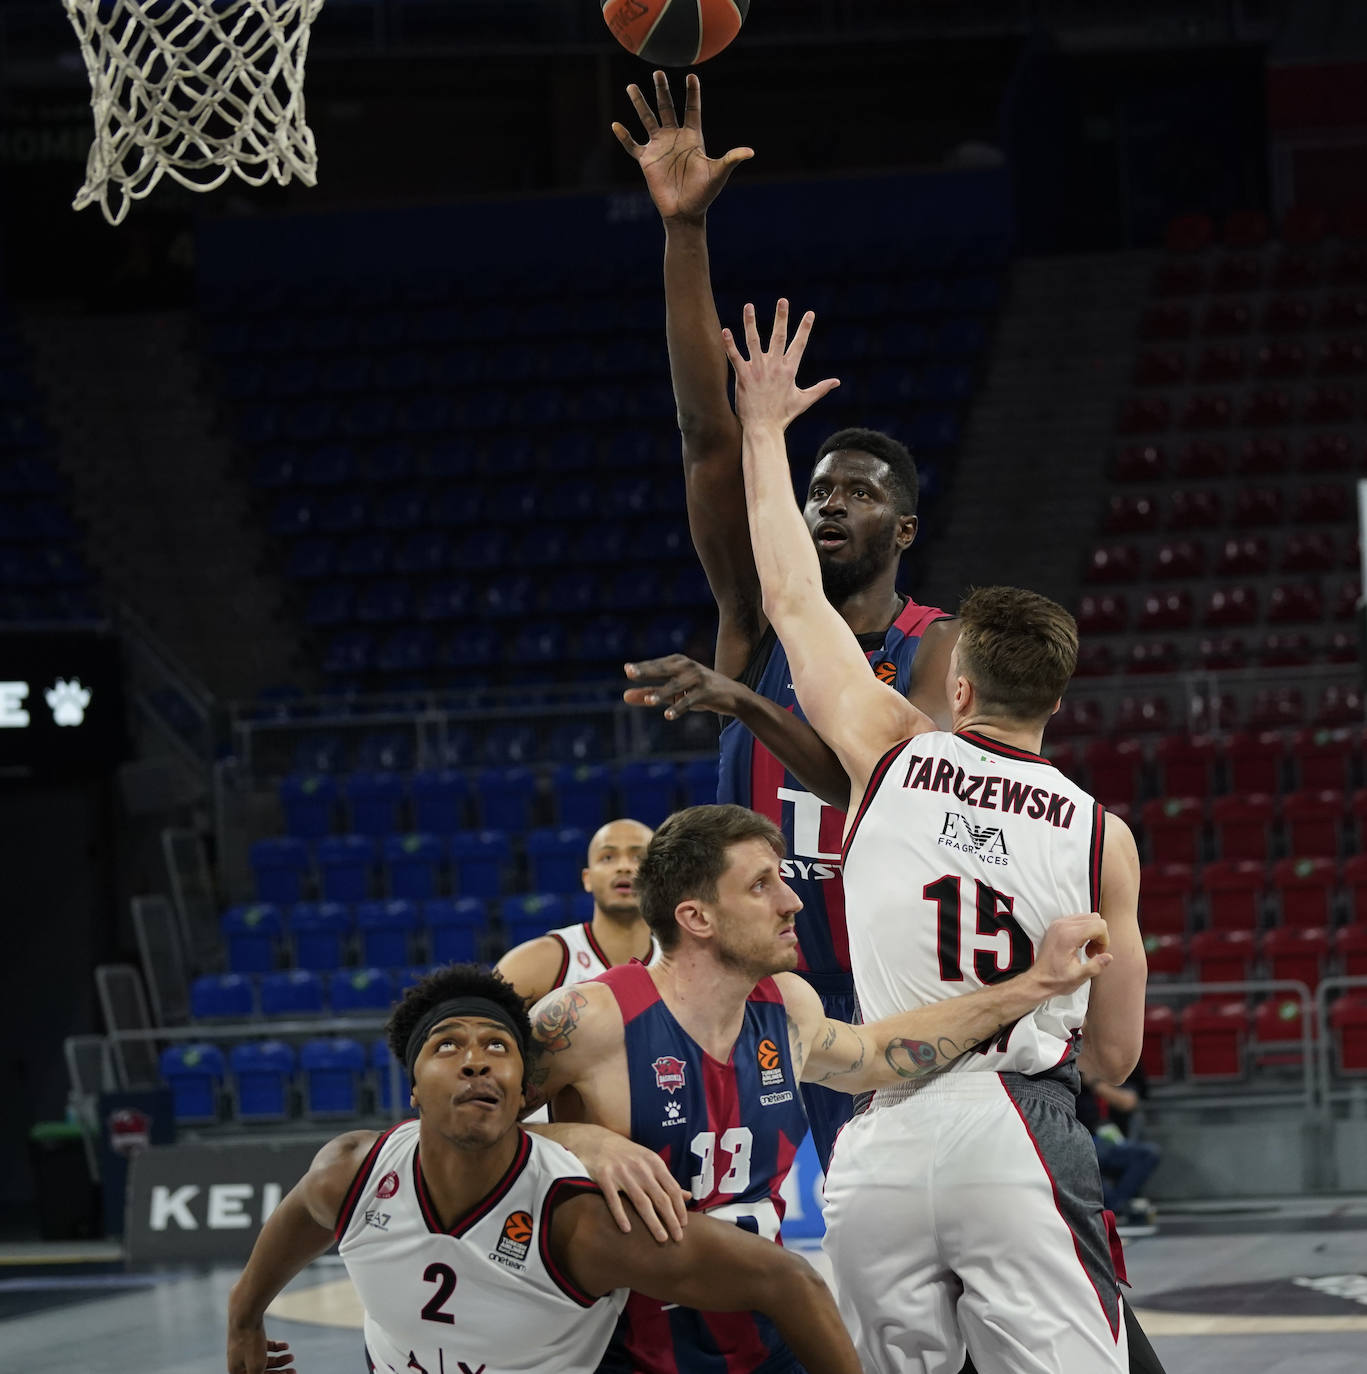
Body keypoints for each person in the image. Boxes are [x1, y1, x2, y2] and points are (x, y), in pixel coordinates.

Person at [721, 299, 1148, 1373]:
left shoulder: (896, 750)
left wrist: (765, 429)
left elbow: (784, 591)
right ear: (1056, 696)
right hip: (1014, 1125)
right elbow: (1111, 1056)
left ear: (955, 686)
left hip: (879, 1134)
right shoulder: (1105, 839)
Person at [613, 70, 957, 1172]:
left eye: (857, 493)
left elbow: (878, 784)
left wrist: (739, 703)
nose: (827, 505)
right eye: (815, 488)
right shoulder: (751, 622)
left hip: (902, 978)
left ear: (903, 529)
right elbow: (704, 437)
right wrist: (683, 233)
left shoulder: (938, 644)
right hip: (779, 982)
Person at [525, 803, 1113, 1374]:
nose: (792, 901)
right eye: (761, 886)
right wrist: (579, 1139)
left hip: (766, 1341)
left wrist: (1035, 983)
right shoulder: (589, 1018)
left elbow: (880, 1055)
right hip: (624, 1347)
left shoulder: (785, 1005)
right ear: (696, 917)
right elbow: (441, 1126)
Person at [225, 964, 862, 1374]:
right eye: (448, 1046)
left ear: (523, 1086)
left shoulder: (579, 1222)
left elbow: (790, 1283)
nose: (475, 1061)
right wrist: (245, 1316)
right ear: (412, 1090)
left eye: (497, 1047)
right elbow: (300, 1220)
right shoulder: (353, 1171)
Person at [496, 818, 657, 1007]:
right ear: (587, 879)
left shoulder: (684, 966)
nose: (624, 866)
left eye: (639, 857)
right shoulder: (535, 963)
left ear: (660, 876)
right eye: (608, 857)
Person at [1079, 1066, 1161, 1231]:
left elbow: (1128, 1101)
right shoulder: (1068, 1066)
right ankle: (1114, 1208)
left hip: (1112, 1142)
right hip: (1080, 1140)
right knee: (1093, 1172)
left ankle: (1114, 1207)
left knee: (1148, 1154)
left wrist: (1095, 1083)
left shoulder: (1120, 1065)